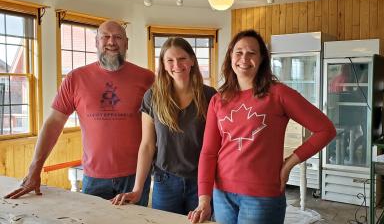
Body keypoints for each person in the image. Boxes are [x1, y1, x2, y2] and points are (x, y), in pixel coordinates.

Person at [188, 30, 336, 224]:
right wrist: (204, 199)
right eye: (239, 52)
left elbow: (325, 129)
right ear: (231, 56)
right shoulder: (218, 100)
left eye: (252, 53)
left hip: (262, 196)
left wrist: (289, 163)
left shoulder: (279, 93)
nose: (244, 58)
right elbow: (208, 152)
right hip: (222, 194)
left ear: (262, 59)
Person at [4, 20, 154, 206]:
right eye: (105, 37)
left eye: (118, 37)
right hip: (94, 177)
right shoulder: (75, 79)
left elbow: (162, 124)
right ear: (96, 42)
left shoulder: (147, 78)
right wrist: (35, 168)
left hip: (136, 176)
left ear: (126, 43)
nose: (111, 42)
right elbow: (54, 123)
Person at [111, 37, 216, 215]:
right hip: (165, 181)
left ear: (192, 60)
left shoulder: (210, 96)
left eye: (182, 58)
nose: (177, 64)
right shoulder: (152, 97)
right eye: (170, 60)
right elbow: (147, 145)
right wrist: (137, 189)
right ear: (164, 65)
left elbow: (216, 146)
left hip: (201, 182)